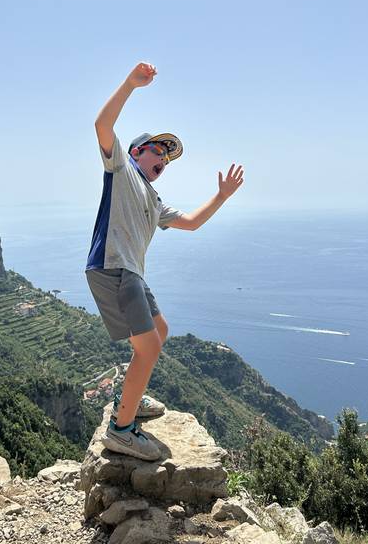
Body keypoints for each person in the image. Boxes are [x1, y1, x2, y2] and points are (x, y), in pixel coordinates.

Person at [85, 62, 244, 461]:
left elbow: (190, 223)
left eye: (168, 158)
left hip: (130, 272)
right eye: (158, 150)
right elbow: (103, 127)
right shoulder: (122, 170)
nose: (163, 159)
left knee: (160, 329)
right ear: (137, 152)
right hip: (114, 267)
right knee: (149, 347)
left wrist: (221, 197)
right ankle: (121, 430)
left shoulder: (153, 199)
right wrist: (129, 85)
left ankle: (131, 398)